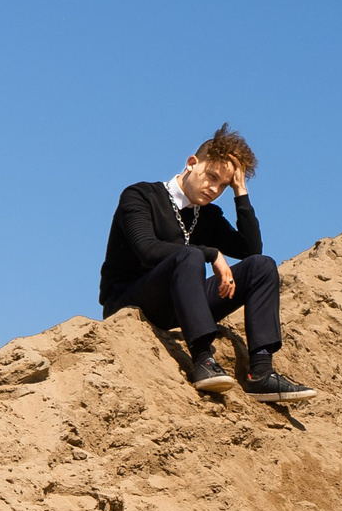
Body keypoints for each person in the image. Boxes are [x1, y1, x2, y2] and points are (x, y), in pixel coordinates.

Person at [98, 124, 315, 403]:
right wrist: (211, 254)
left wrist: (241, 192)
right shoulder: (141, 196)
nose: (214, 188)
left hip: (179, 306)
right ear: (192, 164)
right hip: (129, 303)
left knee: (262, 266)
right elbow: (147, 250)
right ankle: (202, 359)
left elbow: (251, 251)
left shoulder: (206, 215)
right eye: (211, 176)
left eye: (223, 184)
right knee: (188, 255)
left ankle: (261, 372)